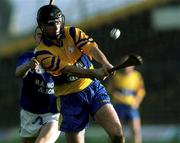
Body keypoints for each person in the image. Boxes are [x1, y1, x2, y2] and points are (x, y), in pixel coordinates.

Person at [34, 4, 125, 143]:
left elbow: (91, 48)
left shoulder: (72, 32)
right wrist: (94, 73)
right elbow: (67, 69)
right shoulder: (41, 52)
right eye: (51, 24)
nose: (57, 27)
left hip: (93, 89)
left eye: (58, 22)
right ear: (42, 26)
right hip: (69, 99)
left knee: (117, 135)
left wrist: (105, 63)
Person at [15, 28, 60, 143]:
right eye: (40, 35)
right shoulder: (27, 57)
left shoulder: (60, 58)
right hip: (29, 114)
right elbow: (18, 73)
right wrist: (28, 66)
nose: (43, 38)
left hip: (53, 114)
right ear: (35, 38)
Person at [108, 66, 146, 143]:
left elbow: (141, 91)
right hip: (119, 105)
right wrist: (116, 95)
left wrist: (137, 101)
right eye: (125, 66)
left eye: (129, 66)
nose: (126, 68)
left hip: (131, 106)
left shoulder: (136, 76)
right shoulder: (117, 76)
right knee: (117, 131)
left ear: (132, 67)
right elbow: (110, 89)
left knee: (136, 130)